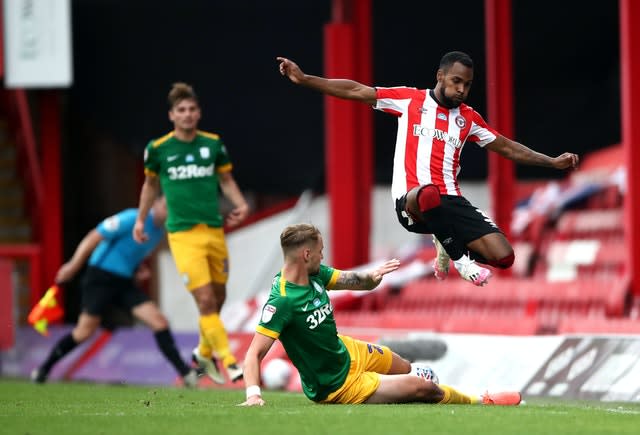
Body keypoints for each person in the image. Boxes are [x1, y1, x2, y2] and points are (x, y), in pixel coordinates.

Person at [276, 52, 579, 287]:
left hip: (451, 201)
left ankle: (444, 242)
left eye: (468, 84)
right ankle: (459, 260)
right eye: (456, 81)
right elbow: (357, 90)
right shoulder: (410, 100)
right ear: (440, 76)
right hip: (413, 200)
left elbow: (508, 147)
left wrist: (551, 162)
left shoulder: (468, 119)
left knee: (504, 257)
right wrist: (305, 79)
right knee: (429, 195)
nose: (462, 89)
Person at [240, 223, 521, 406]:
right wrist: (254, 395)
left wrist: (373, 277)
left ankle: (408, 383)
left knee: (401, 364)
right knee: (423, 388)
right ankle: (480, 401)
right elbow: (253, 354)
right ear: (305, 254)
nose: (323, 256)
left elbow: (354, 281)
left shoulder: (315, 275)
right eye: (320, 251)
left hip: (347, 351)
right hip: (336, 384)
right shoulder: (283, 301)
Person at [133, 82, 249, 384]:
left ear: (199, 113)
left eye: (192, 109)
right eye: (181, 110)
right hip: (182, 236)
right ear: (172, 115)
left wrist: (241, 205)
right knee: (206, 301)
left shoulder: (213, 144)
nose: (187, 114)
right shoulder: (158, 149)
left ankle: (201, 353)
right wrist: (141, 219)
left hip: (213, 231)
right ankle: (230, 363)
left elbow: (226, 180)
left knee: (219, 298)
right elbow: (150, 187)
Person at [31, 196, 201, 387]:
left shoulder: (158, 232)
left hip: (124, 282)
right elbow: (94, 236)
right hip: (100, 277)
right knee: (84, 331)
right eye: (165, 206)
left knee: (159, 321)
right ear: (155, 204)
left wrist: (138, 269)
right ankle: (43, 369)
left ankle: (186, 374)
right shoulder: (131, 218)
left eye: (173, 208)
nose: (168, 211)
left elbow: (129, 252)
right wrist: (73, 265)